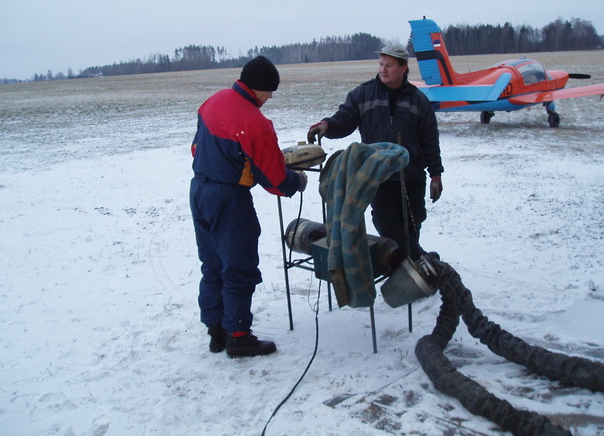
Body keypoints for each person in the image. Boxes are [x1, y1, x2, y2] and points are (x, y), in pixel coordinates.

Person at [190, 56, 307, 358]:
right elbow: (275, 179)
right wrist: (297, 181)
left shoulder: (212, 102)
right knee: (238, 266)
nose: (270, 98)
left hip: (200, 191)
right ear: (258, 88)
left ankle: (216, 331)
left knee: (212, 264)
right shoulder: (255, 123)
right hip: (229, 199)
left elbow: (195, 147)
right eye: (270, 92)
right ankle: (239, 337)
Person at [307, 44, 443, 261]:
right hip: (377, 176)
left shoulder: (419, 101)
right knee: (388, 227)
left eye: (389, 65)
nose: (383, 69)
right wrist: (327, 125)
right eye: (381, 64)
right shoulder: (362, 95)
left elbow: (430, 141)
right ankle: (424, 266)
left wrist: (436, 174)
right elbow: (344, 119)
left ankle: (413, 272)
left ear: (403, 68)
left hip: (412, 177)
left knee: (412, 228)